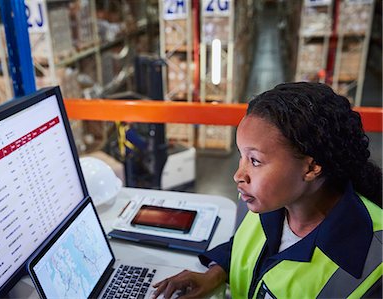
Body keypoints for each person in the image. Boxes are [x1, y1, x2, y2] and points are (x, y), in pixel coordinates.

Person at [152, 82, 382, 299]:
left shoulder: (372, 267)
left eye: (255, 161)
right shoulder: (271, 203)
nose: (238, 176)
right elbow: (248, 250)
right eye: (242, 156)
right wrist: (214, 275)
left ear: (311, 167)